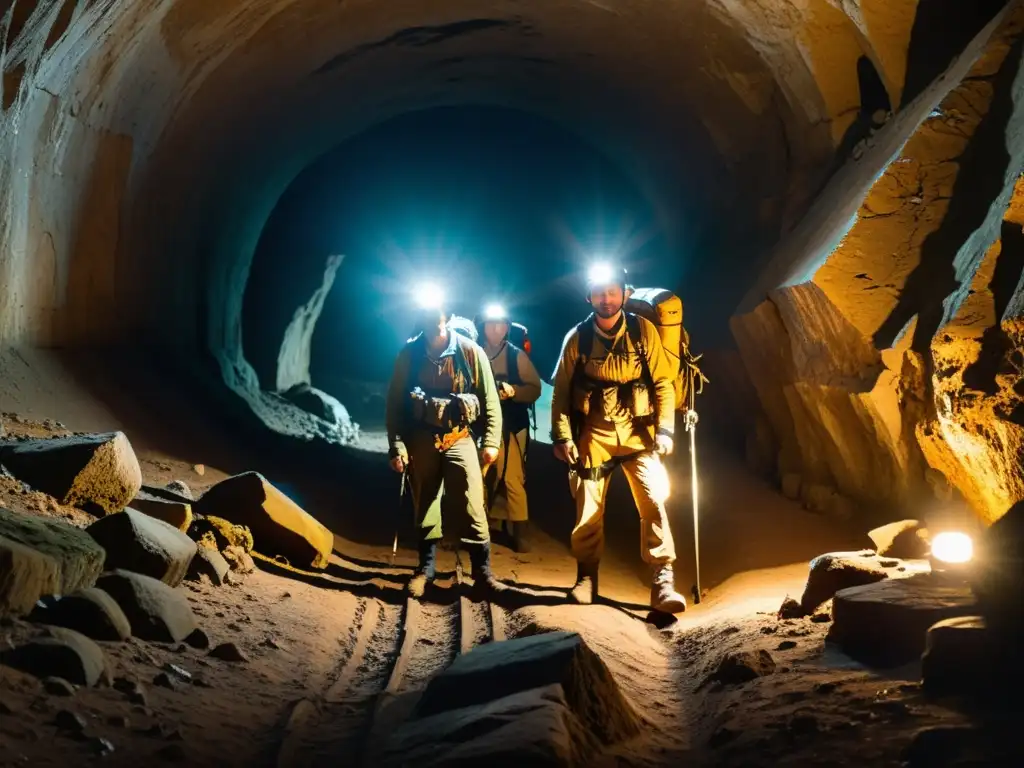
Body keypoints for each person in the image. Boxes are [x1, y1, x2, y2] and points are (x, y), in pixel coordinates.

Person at [549, 264, 688, 613]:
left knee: (654, 501)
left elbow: (662, 383)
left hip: (638, 435)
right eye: (599, 292)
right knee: (588, 510)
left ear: (625, 294)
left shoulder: (643, 332)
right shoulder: (577, 338)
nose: (606, 299)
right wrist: (562, 437)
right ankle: (586, 577)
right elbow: (561, 392)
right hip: (593, 437)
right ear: (589, 297)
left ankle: (662, 582)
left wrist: (666, 430)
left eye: (612, 291)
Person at [385, 285, 506, 598]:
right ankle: (425, 570)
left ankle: (482, 572)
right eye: (428, 313)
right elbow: (395, 405)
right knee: (424, 500)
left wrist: (491, 441)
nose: (434, 319)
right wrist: (396, 446)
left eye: (439, 313)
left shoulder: (470, 352)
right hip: (421, 438)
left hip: (459, 436)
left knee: (471, 501)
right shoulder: (409, 354)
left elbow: (490, 400)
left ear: (448, 315)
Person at [475, 304, 543, 552]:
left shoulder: (516, 356)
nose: (496, 329)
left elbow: (535, 389)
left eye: (501, 324)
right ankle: (478, 527)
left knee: (513, 478)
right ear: (482, 327)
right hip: (481, 425)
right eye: (491, 324)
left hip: (513, 425)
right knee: (480, 477)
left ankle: (519, 533)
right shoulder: (473, 353)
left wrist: (513, 391)